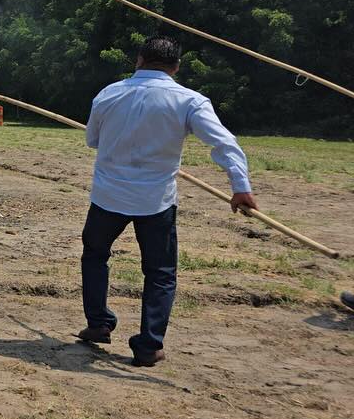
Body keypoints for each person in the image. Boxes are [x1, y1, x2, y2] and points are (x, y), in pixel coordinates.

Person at [79, 36, 257, 367]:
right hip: (155, 201)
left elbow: (93, 140)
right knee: (160, 273)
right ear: (176, 67)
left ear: (138, 60)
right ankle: (149, 345)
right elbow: (224, 143)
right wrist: (240, 186)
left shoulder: (109, 94)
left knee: (95, 256)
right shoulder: (189, 101)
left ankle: (98, 323)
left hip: (108, 195)